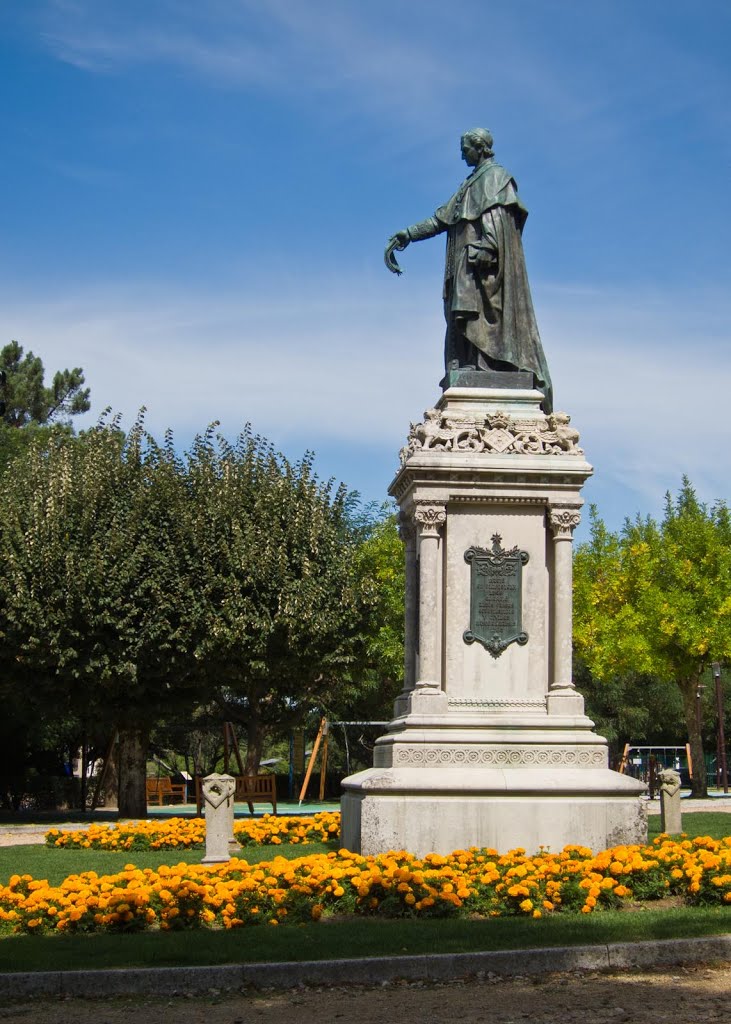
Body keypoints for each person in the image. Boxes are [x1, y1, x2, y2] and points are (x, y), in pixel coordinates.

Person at [386, 128, 552, 411]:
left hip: (480, 263)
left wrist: (487, 247)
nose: (462, 153)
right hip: (467, 262)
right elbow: (442, 219)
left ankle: (489, 366)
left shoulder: (495, 179)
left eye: (465, 148)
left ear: (480, 148)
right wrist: (409, 234)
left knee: (481, 313)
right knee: (462, 314)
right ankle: (473, 366)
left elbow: (496, 220)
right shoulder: (470, 184)